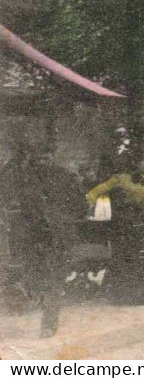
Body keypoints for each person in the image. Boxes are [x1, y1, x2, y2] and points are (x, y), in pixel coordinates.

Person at [1, 141, 82, 336]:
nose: (42, 163)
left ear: (52, 157)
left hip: (55, 236)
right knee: (39, 277)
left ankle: (49, 323)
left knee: (53, 279)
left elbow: (80, 205)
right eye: (38, 160)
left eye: (45, 158)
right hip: (35, 236)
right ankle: (44, 313)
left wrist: (62, 219)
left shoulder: (63, 177)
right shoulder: (25, 179)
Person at [86, 152, 144, 305]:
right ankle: (133, 293)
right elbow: (97, 191)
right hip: (130, 224)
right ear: (137, 163)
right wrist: (89, 202)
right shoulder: (121, 179)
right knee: (135, 258)